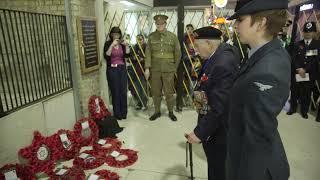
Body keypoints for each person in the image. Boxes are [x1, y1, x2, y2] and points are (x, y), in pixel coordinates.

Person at [226, 0, 291, 179]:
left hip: (255, 168)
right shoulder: (265, 52)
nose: (235, 25)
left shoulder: (267, 70)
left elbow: (257, 139)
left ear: (261, 22)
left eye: (240, 20)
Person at [185, 26, 240, 180]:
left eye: (197, 46)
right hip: (213, 122)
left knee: (218, 168)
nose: (195, 50)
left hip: (219, 129)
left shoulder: (223, 63)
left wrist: (200, 133)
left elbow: (219, 107)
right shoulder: (217, 56)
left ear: (209, 43)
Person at [144, 14, 181, 121]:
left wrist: (174, 68)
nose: (159, 25)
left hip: (168, 69)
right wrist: (147, 68)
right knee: (156, 92)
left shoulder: (172, 37)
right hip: (155, 69)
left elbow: (178, 53)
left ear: (165, 24)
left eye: (161, 24)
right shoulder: (151, 37)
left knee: (169, 91)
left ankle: (170, 111)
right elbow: (148, 53)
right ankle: (157, 111)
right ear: (155, 24)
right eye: (157, 24)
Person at [287, 22, 320, 119]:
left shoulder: (317, 45)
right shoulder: (298, 44)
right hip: (297, 72)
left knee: (306, 93)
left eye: (310, 32)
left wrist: (305, 69)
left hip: (308, 74)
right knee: (294, 91)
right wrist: (298, 68)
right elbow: (294, 58)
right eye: (306, 32)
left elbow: (315, 59)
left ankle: (304, 111)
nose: (308, 34)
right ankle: (292, 109)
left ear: (314, 33)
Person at [103, 27, 130, 120]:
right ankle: (117, 113)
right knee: (115, 91)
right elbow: (106, 56)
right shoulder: (107, 44)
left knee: (123, 91)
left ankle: (124, 112)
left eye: (118, 34)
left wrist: (126, 46)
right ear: (111, 35)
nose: (116, 36)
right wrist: (112, 45)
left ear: (120, 35)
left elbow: (127, 55)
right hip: (112, 69)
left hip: (122, 69)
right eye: (114, 34)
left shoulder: (121, 44)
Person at [176, 24, 195, 112]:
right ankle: (182, 100)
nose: (189, 30)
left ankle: (191, 100)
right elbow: (180, 53)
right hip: (184, 65)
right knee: (184, 83)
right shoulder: (182, 39)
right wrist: (189, 57)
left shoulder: (196, 38)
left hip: (195, 64)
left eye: (191, 29)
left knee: (193, 83)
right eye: (188, 29)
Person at [128, 34, 148, 110]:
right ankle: (139, 103)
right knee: (136, 88)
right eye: (138, 39)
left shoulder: (147, 47)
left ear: (143, 40)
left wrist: (143, 59)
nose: (139, 41)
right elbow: (129, 58)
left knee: (143, 88)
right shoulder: (134, 48)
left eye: (140, 39)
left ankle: (144, 103)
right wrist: (134, 57)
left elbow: (150, 58)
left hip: (143, 70)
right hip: (135, 70)